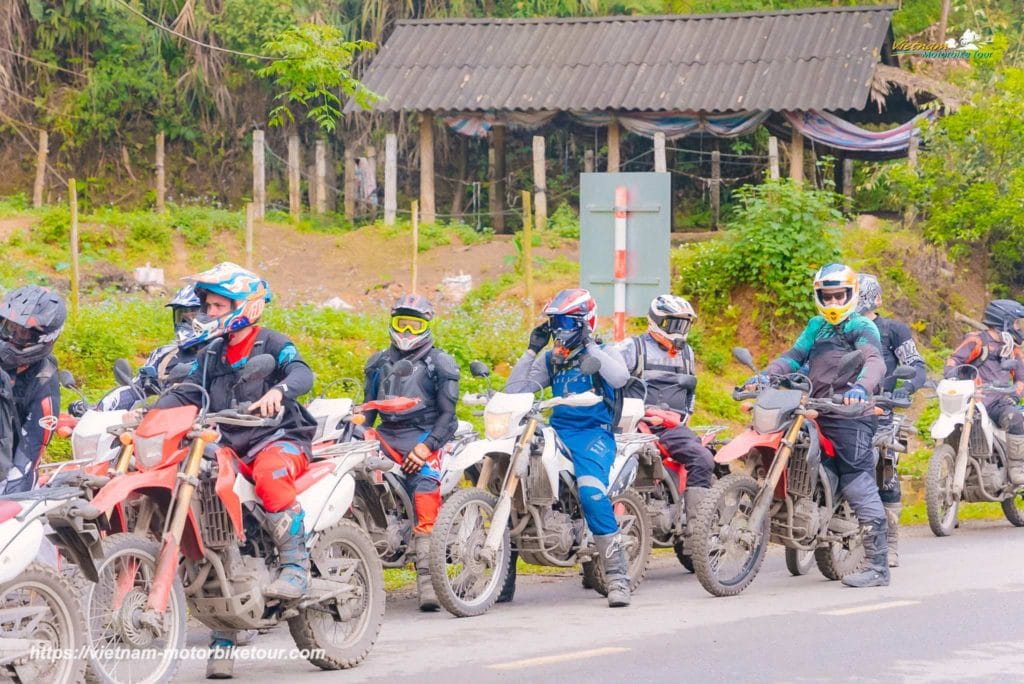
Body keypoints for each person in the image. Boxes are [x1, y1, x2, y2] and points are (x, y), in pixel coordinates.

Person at [151, 263, 317, 680]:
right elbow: (189, 389)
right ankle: (225, 628)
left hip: (275, 437)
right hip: (227, 441)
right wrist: (148, 414)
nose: (208, 312)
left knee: (271, 475)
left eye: (217, 304)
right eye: (206, 305)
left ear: (244, 306)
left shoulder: (273, 342)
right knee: (211, 512)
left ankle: (296, 565)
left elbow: (301, 372)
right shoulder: (211, 352)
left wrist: (279, 391)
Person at [746, 264, 890, 587]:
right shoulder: (816, 326)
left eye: (840, 295)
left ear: (851, 295)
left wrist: (860, 389)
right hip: (813, 407)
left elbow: (874, 361)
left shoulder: (862, 326)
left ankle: (879, 567)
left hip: (850, 414)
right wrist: (766, 376)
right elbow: (793, 357)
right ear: (819, 297)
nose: (835, 301)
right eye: (829, 296)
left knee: (856, 480)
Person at [506, 288, 632, 607]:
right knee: (515, 487)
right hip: (558, 430)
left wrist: (590, 345)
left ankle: (617, 577)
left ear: (584, 322)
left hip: (594, 434)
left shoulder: (604, 351)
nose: (560, 330)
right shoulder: (552, 359)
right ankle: (502, 582)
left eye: (566, 322)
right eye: (555, 322)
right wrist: (531, 351)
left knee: (591, 493)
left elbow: (619, 378)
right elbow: (517, 390)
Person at [362, 294, 460, 612]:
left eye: (414, 324)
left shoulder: (440, 363)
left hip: (424, 436)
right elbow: (367, 412)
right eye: (400, 323)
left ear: (426, 326)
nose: (406, 330)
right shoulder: (377, 363)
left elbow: (449, 416)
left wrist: (426, 446)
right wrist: (361, 433)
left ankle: (428, 581)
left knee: (425, 490)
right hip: (386, 436)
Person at [616, 294, 714, 539]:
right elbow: (610, 376)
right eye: (674, 324)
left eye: (684, 324)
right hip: (633, 426)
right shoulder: (632, 348)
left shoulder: (687, 354)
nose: (680, 331)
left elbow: (691, 389)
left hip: (671, 428)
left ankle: (697, 531)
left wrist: (683, 418)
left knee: (702, 457)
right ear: (656, 322)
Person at [855, 274, 927, 567]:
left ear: (877, 300)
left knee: (886, 469)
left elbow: (917, 366)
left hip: (881, 410)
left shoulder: (893, 330)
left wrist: (903, 390)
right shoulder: (835, 330)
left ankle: (891, 542)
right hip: (838, 410)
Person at [943, 299, 1024, 485]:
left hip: (998, 402)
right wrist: (951, 375)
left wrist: (1014, 395)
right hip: (971, 400)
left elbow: (1021, 377)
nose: (1018, 327)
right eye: (1016, 322)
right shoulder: (976, 340)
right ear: (1004, 320)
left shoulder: (1013, 350)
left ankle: (1017, 467)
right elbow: (954, 360)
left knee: (1015, 419)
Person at [0, 285, 66, 494]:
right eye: (8, 327)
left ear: (44, 339)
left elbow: (26, 460)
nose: (11, 337)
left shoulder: (43, 382)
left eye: (22, 334)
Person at [92, 285, 201, 412]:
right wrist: (98, 409)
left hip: (210, 426)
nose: (185, 322)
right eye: (182, 316)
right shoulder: (164, 355)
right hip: (165, 423)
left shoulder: (221, 354)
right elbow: (135, 390)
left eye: (193, 317)